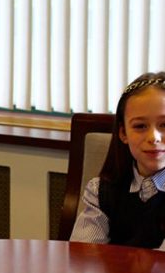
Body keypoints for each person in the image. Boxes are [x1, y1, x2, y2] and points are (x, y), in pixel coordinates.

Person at [70, 71, 165, 250]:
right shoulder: (100, 192)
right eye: (140, 126)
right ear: (123, 133)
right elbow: (84, 258)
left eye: (164, 125)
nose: (154, 138)